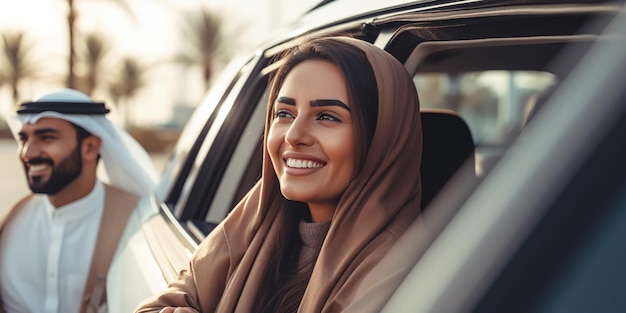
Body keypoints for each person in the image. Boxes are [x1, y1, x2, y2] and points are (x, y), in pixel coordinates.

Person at [135, 36, 423, 313]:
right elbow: (163, 303)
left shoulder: (402, 269)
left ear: (381, 138)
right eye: (284, 113)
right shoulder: (259, 214)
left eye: (327, 116)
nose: (294, 135)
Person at [0, 89, 158, 313]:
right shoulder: (13, 221)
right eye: (24, 138)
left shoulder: (137, 221)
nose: (27, 152)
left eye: (46, 138)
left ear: (90, 147)